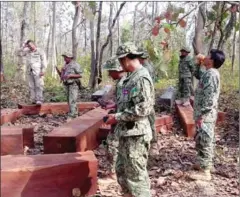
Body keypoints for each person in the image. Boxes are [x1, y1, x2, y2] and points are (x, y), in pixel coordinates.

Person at [105, 42, 155, 197]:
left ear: (127, 58)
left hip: (136, 135)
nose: (120, 65)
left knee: (136, 177)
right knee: (122, 172)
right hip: (126, 134)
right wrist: (117, 107)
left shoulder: (141, 78)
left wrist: (117, 117)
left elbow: (144, 108)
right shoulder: (129, 78)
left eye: (121, 61)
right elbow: (129, 101)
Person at [188, 49, 225, 181]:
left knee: (205, 141)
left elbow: (210, 99)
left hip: (206, 115)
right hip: (202, 114)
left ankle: (205, 172)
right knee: (201, 139)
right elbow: (197, 74)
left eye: (208, 55)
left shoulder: (212, 74)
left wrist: (202, 116)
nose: (205, 56)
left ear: (212, 60)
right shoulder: (208, 73)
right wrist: (198, 63)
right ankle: (204, 163)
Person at [100, 57, 126, 182]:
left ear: (117, 69)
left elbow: (127, 104)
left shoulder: (124, 82)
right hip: (120, 117)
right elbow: (122, 102)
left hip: (122, 120)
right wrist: (111, 105)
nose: (109, 74)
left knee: (112, 144)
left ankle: (113, 174)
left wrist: (115, 116)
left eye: (110, 71)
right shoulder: (122, 82)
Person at [138, 48, 157, 149]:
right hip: (149, 97)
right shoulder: (150, 66)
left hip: (147, 98)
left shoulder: (145, 69)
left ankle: (153, 143)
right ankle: (152, 141)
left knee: (150, 119)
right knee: (150, 119)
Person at [17, 40, 47, 105]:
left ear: (34, 44)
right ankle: (33, 100)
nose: (30, 47)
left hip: (38, 71)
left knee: (39, 85)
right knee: (31, 86)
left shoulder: (40, 51)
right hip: (29, 71)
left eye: (31, 45)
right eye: (29, 46)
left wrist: (43, 70)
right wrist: (23, 47)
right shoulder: (27, 51)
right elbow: (18, 54)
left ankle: (39, 99)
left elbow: (44, 61)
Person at [56, 52, 82, 120]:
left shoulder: (75, 65)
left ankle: (73, 115)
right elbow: (62, 76)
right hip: (67, 84)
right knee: (69, 100)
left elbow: (80, 75)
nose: (64, 59)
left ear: (70, 58)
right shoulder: (65, 65)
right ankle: (73, 113)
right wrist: (59, 70)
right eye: (64, 57)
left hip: (73, 84)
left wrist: (71, 75)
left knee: (72, 100)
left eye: (66, 57)